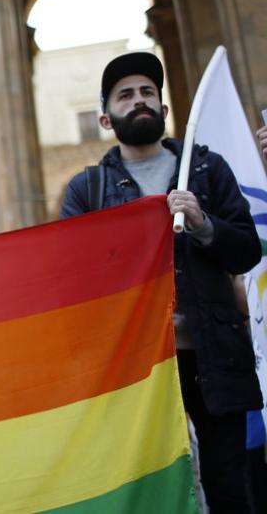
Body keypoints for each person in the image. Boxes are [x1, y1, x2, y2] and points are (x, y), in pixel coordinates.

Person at [61, 52, 262, 512]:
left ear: (164, 109)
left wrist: (203, 223)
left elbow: (247, 250)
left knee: (230, 490)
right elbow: (73, 279)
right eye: (126, 95)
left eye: (148, 92)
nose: (139, 101)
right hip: (138, 369)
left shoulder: (207, 170)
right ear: (106, 118)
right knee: (156, 495)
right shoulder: (86, 190)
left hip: (214, 360)